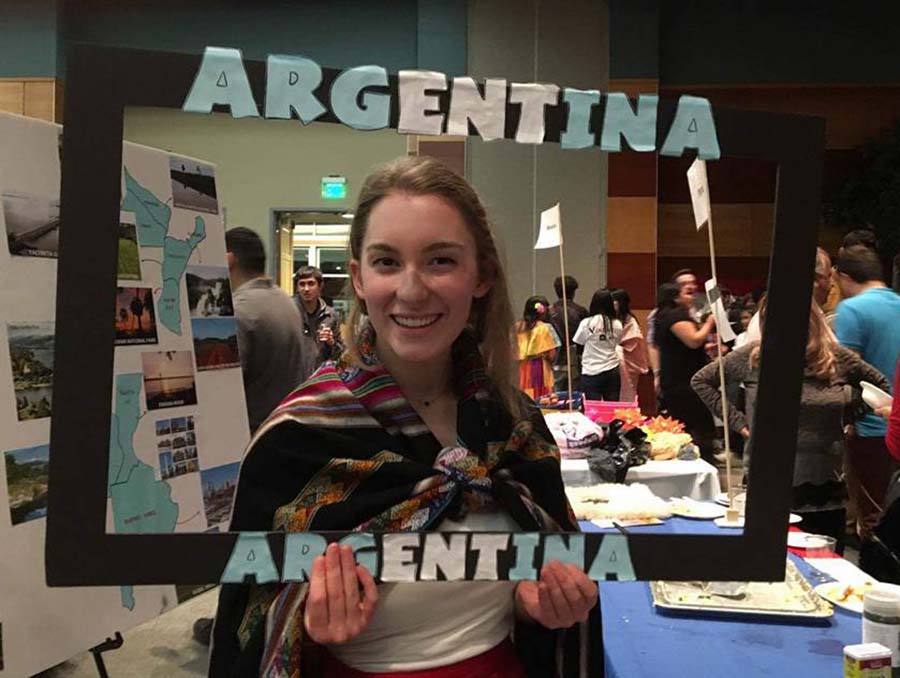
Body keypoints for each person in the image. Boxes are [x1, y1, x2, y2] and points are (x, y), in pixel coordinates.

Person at [210, 157, 599, 677]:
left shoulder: (514, 422)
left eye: (440, 261)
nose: (411, 290)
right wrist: (306, 625)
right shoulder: (297, 438)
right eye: (387, 262)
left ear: (481, 276)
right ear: (358, 277)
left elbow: (548, 572)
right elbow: (250, 621)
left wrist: (537, 606)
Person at [692, 298, 889, 551]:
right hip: (767, 484)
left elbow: (881, 386)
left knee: (824, 568)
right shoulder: (753, 357)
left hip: (824, 487)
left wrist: (847, 417)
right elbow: (702, 381)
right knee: (763, 566)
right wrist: (739, 423)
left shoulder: (836, 358)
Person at [833, 245, 900, 540]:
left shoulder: (851, 309)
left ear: (845, 277)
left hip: (870, 427)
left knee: (872, 519)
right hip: (894, 422)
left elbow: (846, 370)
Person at [225, 227, 307, 432]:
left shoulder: (239, 310)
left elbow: (224, 391)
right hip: (284, 428)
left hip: (250, 435)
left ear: (228, 259)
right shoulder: (285, 301)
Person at [654, 282, 717, 462]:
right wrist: (709, 323)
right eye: (687, 293)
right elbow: (694, 341)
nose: (692, 296)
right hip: (683, 380)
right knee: (697, 424)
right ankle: (701, 462)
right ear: (675, 297)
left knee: (691, 423)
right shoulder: (675, 317)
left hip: (679, 377)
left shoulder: (667, 316)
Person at [647, 269, 700, 394]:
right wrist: (657, 373)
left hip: (698, 369)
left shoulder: (699, 309)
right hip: (676, 373)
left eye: (692, 283)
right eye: (683, 284)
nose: (689, 287)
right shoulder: (662, 314)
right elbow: (653, 344)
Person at [293, 265, 343, 379]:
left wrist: (332, 342)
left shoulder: (331, 315)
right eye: (302, 284)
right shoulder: (288, 311)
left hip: (320, 377)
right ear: (297, 288)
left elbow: (340, 354)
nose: (306, 289)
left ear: (320, 286)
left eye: (311, 283)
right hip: (293, 378)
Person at [573, 289, 623, 401]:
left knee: (593, 409)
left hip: (591, 370)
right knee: (612, 408)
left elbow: (579, 341)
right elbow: (617, 342)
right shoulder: (617, 324)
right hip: (612, 369)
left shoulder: (587, 323)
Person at [548, 275, 588, 393]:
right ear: (574, 291)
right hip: (575, 359)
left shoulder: (549, 311)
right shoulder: (581, 311)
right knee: (575, 396)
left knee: (555, 396)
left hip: (554, 359)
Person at [515, 295, 561, 400]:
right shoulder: (546, 328)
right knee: (541, 398)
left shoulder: (516, 327)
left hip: (520, 369)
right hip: (540, 368)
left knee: (523, 397)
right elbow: (551, 354)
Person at [611, 288, 649, 403]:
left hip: (626, 363)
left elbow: (632, 344)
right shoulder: (608, 318)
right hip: (609, 364)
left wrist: (616, 348)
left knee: (625, 396)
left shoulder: (630, 321)